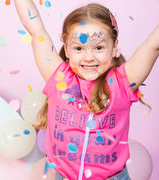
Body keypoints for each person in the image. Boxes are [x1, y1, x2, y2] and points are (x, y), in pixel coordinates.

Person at [14, 1, 159, 179]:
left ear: (114, 48)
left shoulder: (122, 84)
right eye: (78, 48)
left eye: (99, 48)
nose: (89, 57)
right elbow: (36, 32)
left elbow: (153, 45)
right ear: (67, 49)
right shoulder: (60, 79)